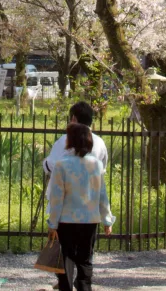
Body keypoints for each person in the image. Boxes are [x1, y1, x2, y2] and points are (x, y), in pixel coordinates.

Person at [47, 123, 115, 291]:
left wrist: (52, 224)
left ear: (70, 141)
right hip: (90, 220)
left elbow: (57, 197)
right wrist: (107, 219)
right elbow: (102, 195)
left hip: (66, 220)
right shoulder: (96, 165)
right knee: (85, 259)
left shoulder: (61, 165)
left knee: (66, 259)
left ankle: (66, 287)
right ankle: (85, 287)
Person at [43, 101, 109, 174]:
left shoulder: (64, 140)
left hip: (66, 184)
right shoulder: (99, 142)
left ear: (73, 119)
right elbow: (102, 168)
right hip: (92, 184)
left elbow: (50, 166)